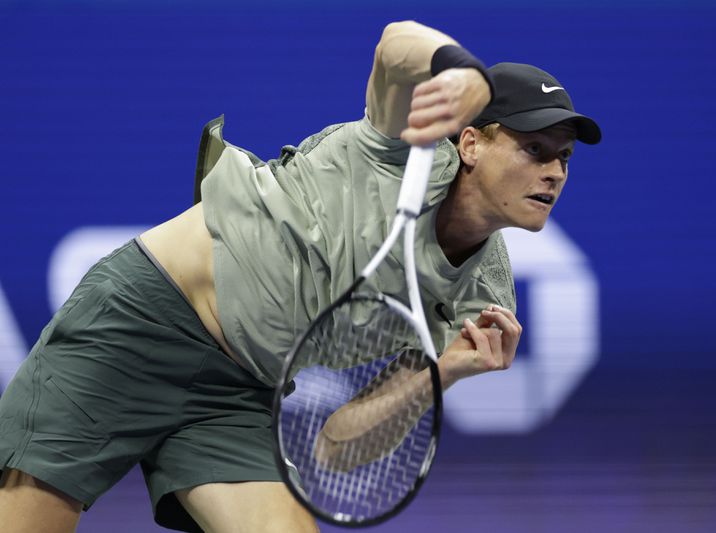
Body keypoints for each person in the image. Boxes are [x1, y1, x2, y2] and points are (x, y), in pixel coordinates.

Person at [0, 20, 600, 533]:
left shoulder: (480, 300)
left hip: (236, 392)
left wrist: (445, 372)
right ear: (470, 142)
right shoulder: (396, 150)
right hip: (142, 321)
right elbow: (395, 44)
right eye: (534, 149)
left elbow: (336, 446)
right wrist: (458, 68)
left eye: (563, 158)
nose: (554, 172)